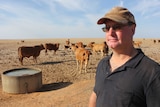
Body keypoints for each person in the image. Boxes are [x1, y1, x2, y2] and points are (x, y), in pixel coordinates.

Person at [88, 6, 160, 107]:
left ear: (132, 29)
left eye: (117, 27)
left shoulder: (152, 72)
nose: (110, 33)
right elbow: (95, 95)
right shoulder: (102, 64)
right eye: (107, 28)